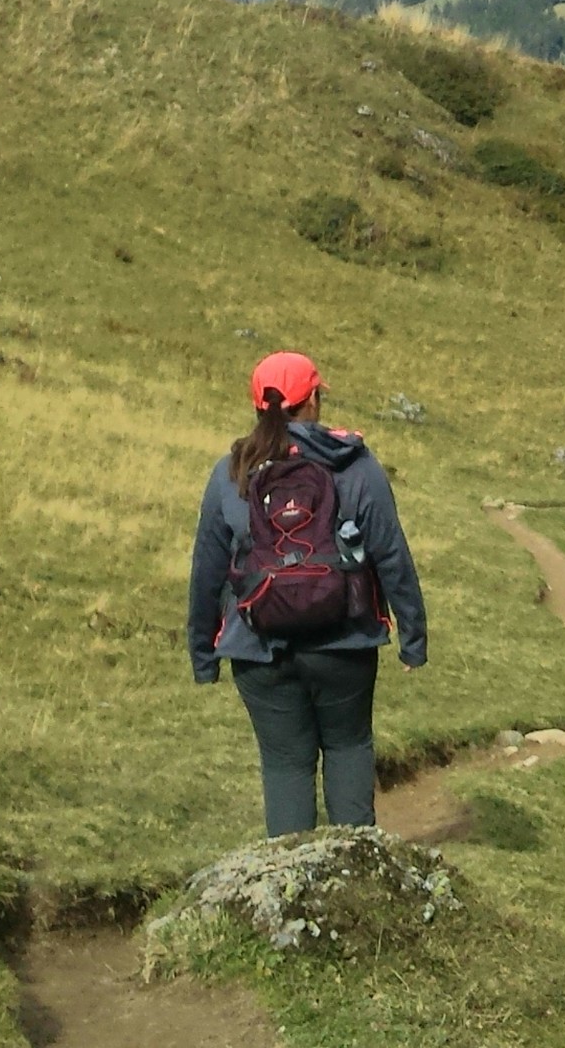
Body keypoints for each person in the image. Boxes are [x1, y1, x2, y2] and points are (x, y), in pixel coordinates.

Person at [188, 351, 428, 837]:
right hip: (346, 642)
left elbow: (207, 572)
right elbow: (392, 556)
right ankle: (355, 878)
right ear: (313, 399)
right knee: (347, 747)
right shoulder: (357, 466)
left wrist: (204, 654)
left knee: (285, 766)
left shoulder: (230, 473)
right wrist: (413, 638)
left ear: (259, 406)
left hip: (259, 650)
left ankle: (288, 891)